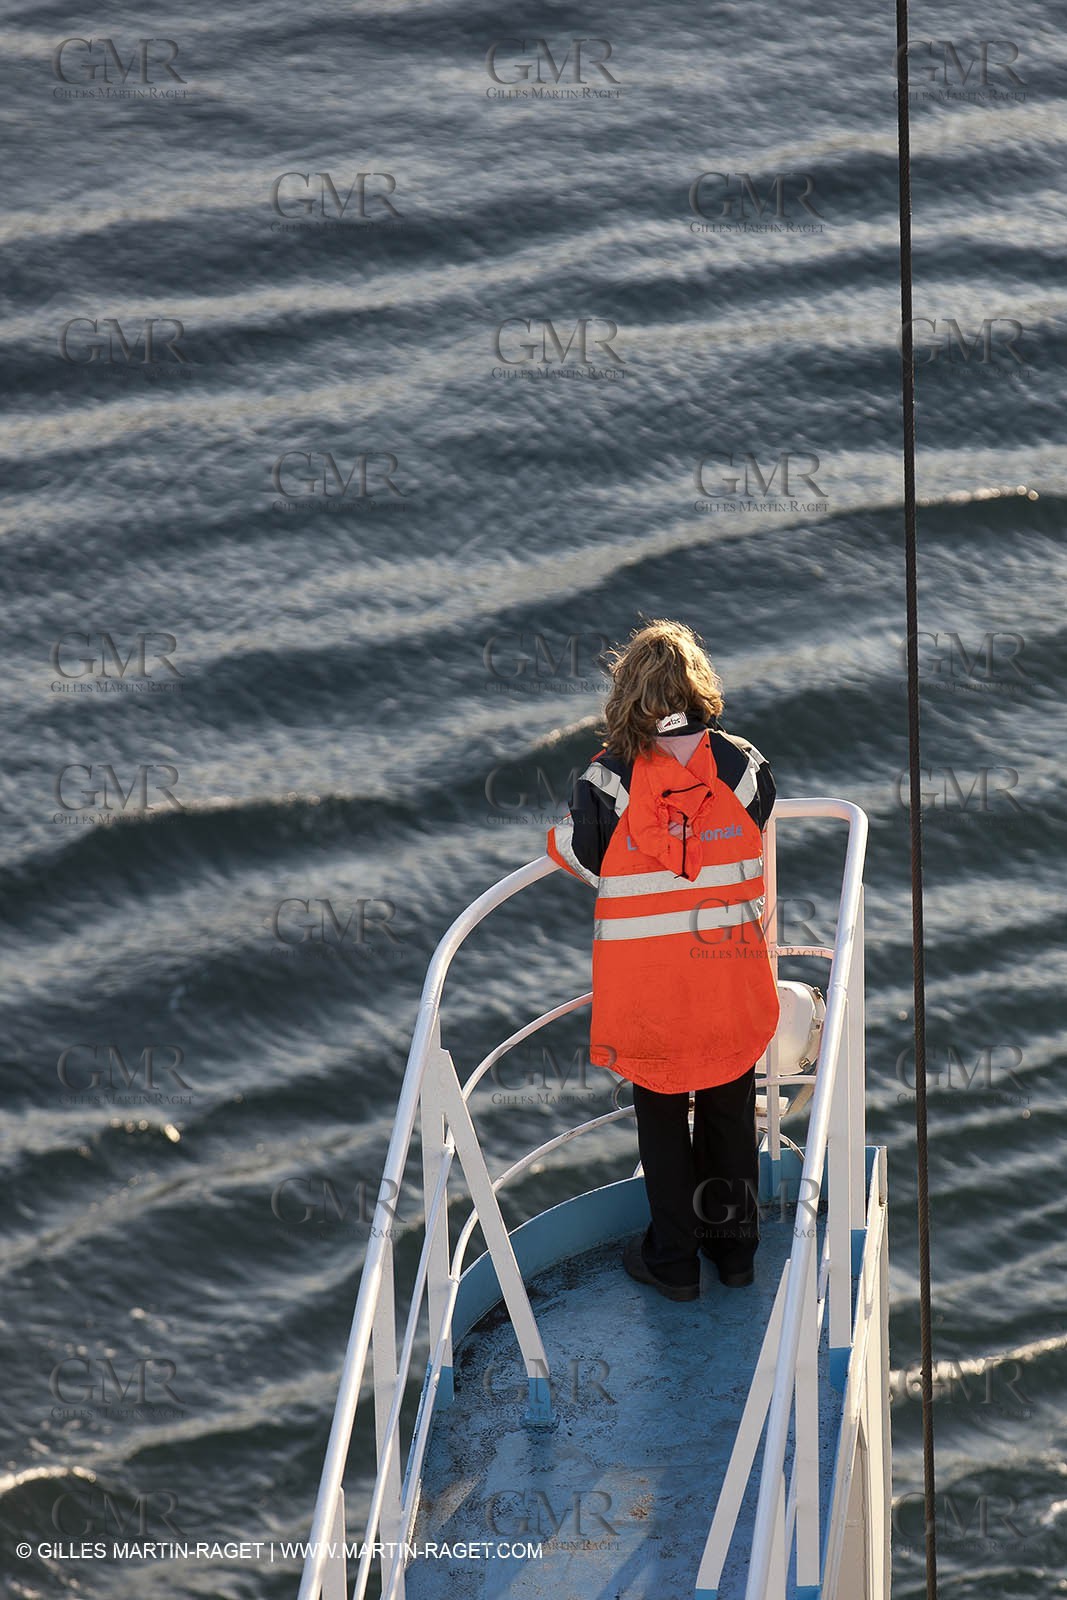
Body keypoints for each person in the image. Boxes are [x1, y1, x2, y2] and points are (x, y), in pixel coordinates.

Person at [546, 619, 780, 1302]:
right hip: (727, 981)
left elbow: (582, 854)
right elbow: (754, 825)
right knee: (728, 1116)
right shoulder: (742, 765)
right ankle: (734, 1255)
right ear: (697, 686)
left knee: (661, 1124)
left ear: (627, 695)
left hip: (648, 992)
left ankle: (673, 1261)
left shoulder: (606, 779)